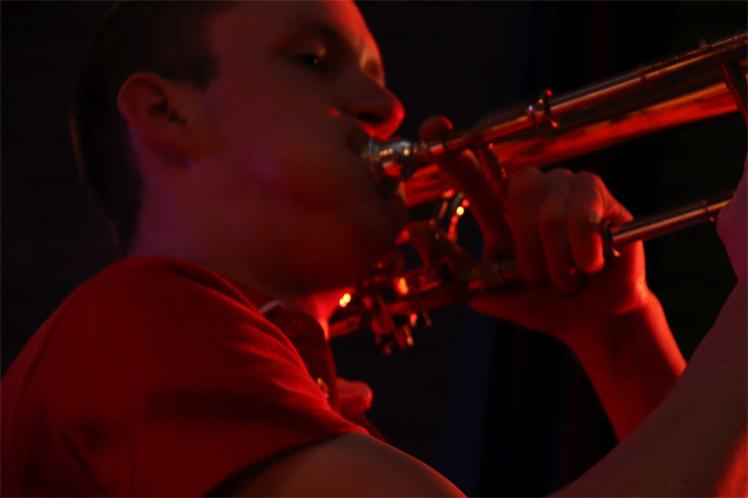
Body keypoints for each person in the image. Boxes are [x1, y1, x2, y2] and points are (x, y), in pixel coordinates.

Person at [1, 1, 745, 496]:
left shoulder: (315, 413)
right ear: (167, 112)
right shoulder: (137, 323)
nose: (388, 109)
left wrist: (618, 332)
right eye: (313, 60)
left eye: (379, 78)